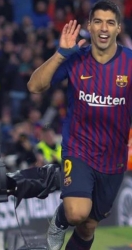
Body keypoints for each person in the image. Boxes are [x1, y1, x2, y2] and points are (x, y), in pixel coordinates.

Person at [27, 1, 132, 249]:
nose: (103, 28)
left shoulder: (129, 63)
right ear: (90, 26)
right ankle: (60, 218)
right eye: (98, 21)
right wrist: (60, 53)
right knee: (76, 213)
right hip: (79, 149)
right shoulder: (75, 58)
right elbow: (34, 86)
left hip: (113, 157)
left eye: (109, 22)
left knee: (87, 228)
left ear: (118, 28)